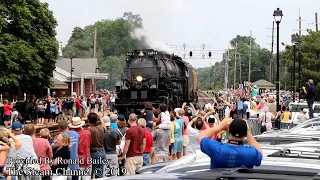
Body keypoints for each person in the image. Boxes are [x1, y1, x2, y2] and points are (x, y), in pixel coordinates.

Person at [197, 118, 262, 169]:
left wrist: (221, 126)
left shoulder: (217, 149)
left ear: (228, 132)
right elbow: (259, 152)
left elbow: (200, 136)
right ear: (245, 134)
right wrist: (247, 131)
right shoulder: (251, 153)